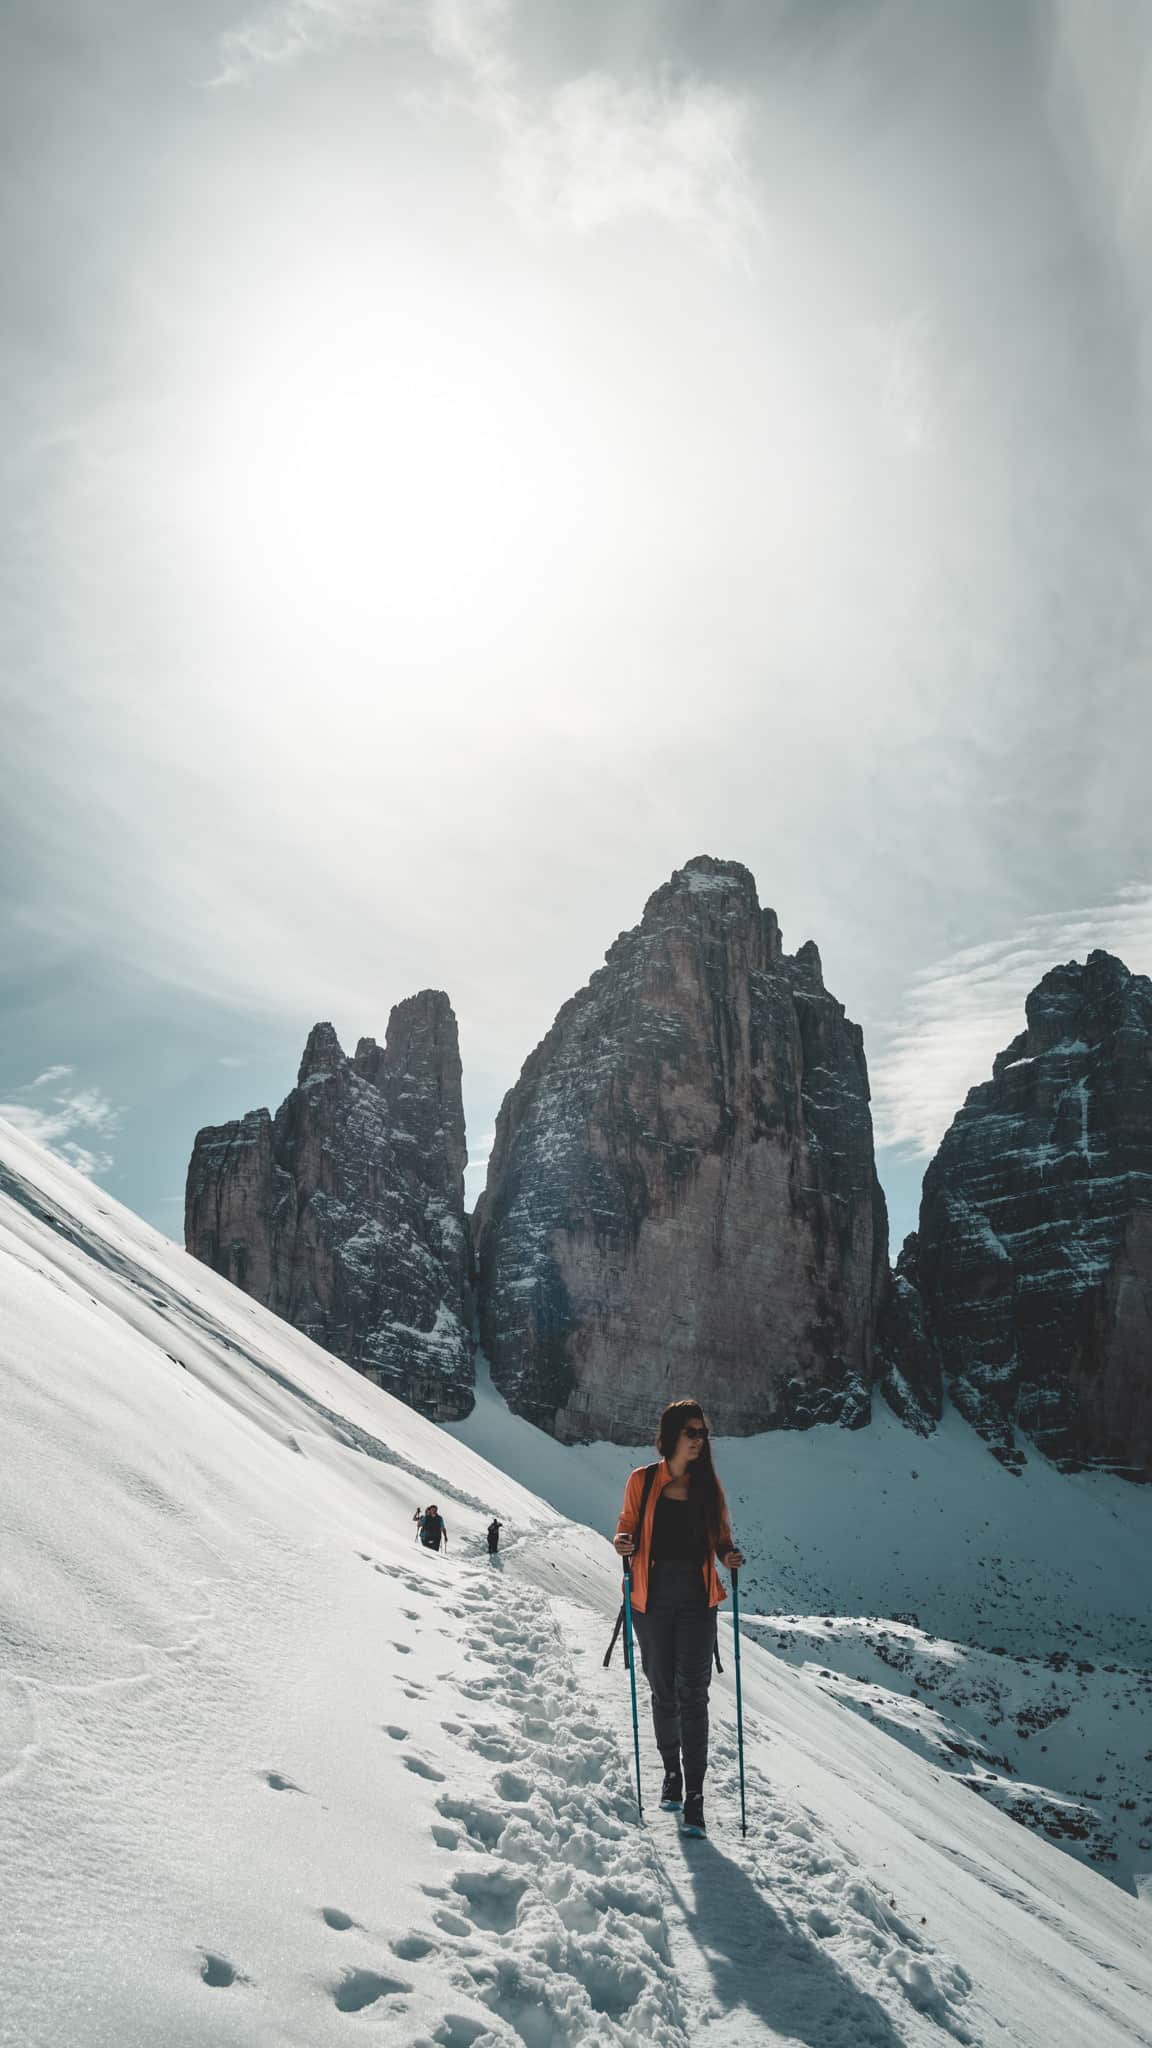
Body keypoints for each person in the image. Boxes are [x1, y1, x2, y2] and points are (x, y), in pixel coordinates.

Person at [614, 1398, 744, 1836]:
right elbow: (626, 1526)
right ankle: (672, 1770)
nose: (700, 1439)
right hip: (650, 1599)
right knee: (662, 1688)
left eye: (704, 1432)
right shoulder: (643, 1481)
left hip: (696, 1598)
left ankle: (695, 1796)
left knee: (695, 1694)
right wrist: (622, 1542)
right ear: (671, 1435)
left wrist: (729, 1554)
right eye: (692, 1431)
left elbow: (722, 1539)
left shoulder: (710, 1488)